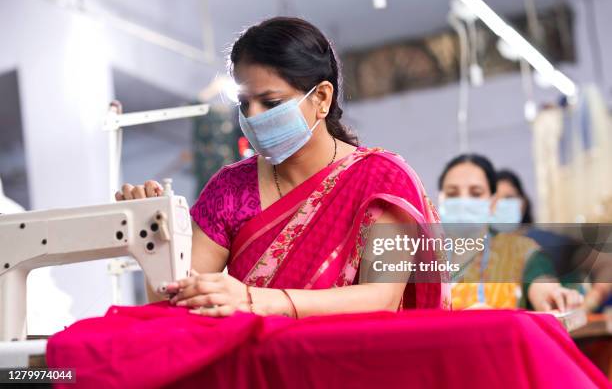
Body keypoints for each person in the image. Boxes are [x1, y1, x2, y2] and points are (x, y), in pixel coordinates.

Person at [115, 17, 449, 318]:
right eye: (245, 103)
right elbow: (180, 305)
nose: (253, 116)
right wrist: (155, 242)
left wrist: (254, 300)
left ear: (321, 98)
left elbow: (381, 297)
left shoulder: (382, 179)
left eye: (271, 102)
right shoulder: (230, 189)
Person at [438, 154, 581, 311]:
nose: (463, 202)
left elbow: (542, 286)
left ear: (492, 203)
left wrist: (552, 295)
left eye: (476, 193)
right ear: (440, 199)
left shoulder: (519, 251)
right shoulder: (421, 255)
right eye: (452, 194)